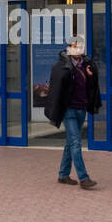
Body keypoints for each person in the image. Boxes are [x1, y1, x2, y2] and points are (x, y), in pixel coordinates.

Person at [45, 35, 102, 190]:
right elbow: (56, 89)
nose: (78, 50)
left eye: (80, 47)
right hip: (68, 110)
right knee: (76, 142)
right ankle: (84, 178)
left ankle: (63, 175)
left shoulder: (87, 65)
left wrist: (91, 76)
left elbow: (91, 87)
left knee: (71, 142)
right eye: (75, 46)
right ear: (69, 48)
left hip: (81, 108)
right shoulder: (61, 66)